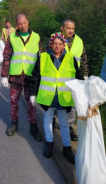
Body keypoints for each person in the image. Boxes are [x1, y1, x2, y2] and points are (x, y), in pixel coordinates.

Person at [29, 33, 82, 164]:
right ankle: (49, 143)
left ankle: (67, 148)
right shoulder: (43, 57)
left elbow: (78, 78)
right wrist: (32, 93)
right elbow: (36, 77)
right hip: (48, 97)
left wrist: (81, 94)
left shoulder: (71, 58)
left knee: (64, 123)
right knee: (48, 121)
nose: (57, 46)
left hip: (64, 97)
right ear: (51, 44)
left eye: (60, 44)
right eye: (55, 43)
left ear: (64, 45)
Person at [1, 13, 42, 141]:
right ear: (16, 25)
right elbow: (6, 56)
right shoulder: (12, 37)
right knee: (14, 101)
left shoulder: (36, 37)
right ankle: (14, 123)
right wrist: (4, 75)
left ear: (28, 22)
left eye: (24, 23)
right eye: (20, 23)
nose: (22, 26)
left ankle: (33, 126)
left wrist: (41, 76)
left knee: (32, 102)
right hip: (16, 75)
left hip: (31, 76)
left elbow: (41, 57)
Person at [60, 19, 88, 141]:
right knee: (57, 100)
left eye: (73, 28)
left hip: (73, 78)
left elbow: (83, 59)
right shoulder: (55, 39)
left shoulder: (79, 42)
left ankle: (70, 127)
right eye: (68, 28)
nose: (71, 30)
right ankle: (54, 121)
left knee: (72, 103)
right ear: (62, 28)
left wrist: (85, 75)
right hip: (58, 77)